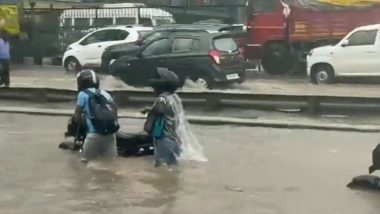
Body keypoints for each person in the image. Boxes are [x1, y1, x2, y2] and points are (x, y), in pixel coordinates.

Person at [75, 69, 119, 162]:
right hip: (110, 135)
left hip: (93, 135)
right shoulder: (105, 94)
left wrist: (83, 126)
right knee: (111, 164)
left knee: (85, 164)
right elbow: (115, 111)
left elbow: (77, 116)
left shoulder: (82, 94)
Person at [142, 68, 182, 167]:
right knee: (173, 166)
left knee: (161, 167)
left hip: (164, 138)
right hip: (175, 138)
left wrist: (150, 111)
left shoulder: (161, 99)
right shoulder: (174, 97)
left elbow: (159, 110)